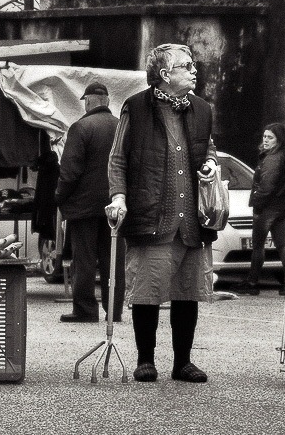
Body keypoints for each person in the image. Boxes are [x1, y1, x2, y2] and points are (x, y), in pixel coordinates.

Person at [105, 43, 219, 384]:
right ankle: (145, 360)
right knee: (147, 291)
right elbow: (118, 158)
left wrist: (211, 163)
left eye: (193, 65)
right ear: (165, 74)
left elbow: (208, 145)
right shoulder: (136, 108)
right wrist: (119, 196)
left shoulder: (201, 109)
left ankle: (182, 362)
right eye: (186, 66)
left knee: (187, 293)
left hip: (191, 221)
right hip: (152, 214)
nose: (194, 70)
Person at [55, 82, 125, 323]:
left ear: (89, 101)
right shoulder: (121, 127)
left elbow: (70, 171)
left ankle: (85, 309)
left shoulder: (81, 127)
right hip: (116, 205)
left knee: (84, 260)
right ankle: (114, 310)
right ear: (106, 100)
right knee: (113, 260)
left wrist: (60, 197)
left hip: (83, 207)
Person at [234, 123, 285, 296]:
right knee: (282, 244)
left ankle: (253, 283)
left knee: (258, 245)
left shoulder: (273, 159)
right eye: (264, 136)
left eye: (270, 137)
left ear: (279, 140)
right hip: (282, 206)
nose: (266, 140)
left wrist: (258, 206)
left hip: (268, 207)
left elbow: (266, 187)